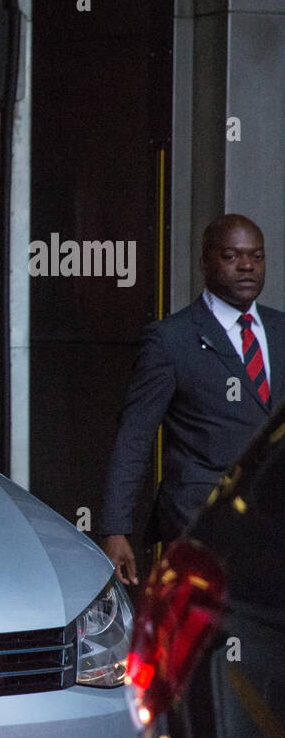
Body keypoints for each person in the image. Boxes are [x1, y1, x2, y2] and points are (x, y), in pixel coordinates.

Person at [100, 213, 283, 583]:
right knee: (208, 637)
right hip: (199, 524)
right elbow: (135, 436)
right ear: (205, 263)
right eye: (232, 256)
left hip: (272, 524)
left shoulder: (281, 329)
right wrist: (115, 529)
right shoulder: (171, 340)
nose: (247, 266)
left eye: (256, 256)